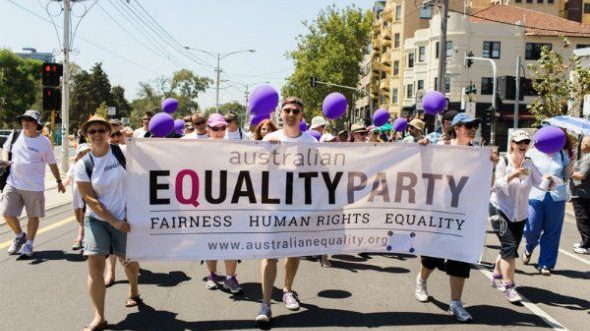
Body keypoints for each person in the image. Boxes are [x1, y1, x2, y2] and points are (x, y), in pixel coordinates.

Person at [415, 113, 494, 322]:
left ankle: (456, 303)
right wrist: (422, 148)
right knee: (433, 256)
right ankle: (421, 280)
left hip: (464, 215)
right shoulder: (440, 149)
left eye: (474, 126)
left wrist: (491, 165)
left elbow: (489, 184)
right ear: (457, 128)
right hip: (439, 211)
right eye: (468, 126)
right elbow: (422, 168)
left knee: (460, 258)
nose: (472, 129)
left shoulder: (478, 154)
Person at [75, 115, 140, 331]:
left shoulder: (120, 153)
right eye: (91, 131)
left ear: (108, 133)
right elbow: (89, 199)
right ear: (87, 135)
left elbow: (147, 164)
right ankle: (99, 317)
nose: (96, 135)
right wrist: (112, 221)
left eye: (100, 131)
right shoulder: (84, 164)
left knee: (128, 263)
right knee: (95, 264)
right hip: (98, 220)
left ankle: (134, 289)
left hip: (125, 217)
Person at [256, 97, 317, 325]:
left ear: (301, 115)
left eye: (296, 111)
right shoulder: (270, 139)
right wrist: (269, 156)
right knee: (270, 255)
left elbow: (319, 174)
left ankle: (288, 290)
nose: (291, 114)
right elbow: (256, 171)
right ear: (281, 114)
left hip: (298, 208)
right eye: (287, 110)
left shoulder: (310, 142)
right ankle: (265, 304)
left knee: (293, 252)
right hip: (273, 208)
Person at [489, 130, 560, 302]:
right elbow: (495, 186)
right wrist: (512, 175)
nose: (522, 146)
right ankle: (509, 287)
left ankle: (496, 275)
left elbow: (540, 183)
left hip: (519, 213)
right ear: (512, 143)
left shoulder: (529, 163)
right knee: (509, 247)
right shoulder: (503, 162)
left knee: (510, 247)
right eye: (519, 142)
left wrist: (549, 180)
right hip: (500, 208)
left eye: (526, 143)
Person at [1, 110, 66, 257]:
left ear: (37, 124)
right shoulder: (16, 135)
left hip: (34, 186)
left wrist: (59, 181)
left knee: (33, 216)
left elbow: (52, 163)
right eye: (24, 120)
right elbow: (6, 149)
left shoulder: (44, 142)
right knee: (6, 212)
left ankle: (29, 244)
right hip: (13, 182)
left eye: (30, 120)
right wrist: (6, 160)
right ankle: (19, 236)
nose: (26, 122)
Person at [522, 128, 574, 276]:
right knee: (532, 228)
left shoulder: (563, 154)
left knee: (552, 231)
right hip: (535, 194)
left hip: (556, 195)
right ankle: (529, 246)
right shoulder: (532, 152)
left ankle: (546, 263)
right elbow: (525, 173)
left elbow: (567, 175)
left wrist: (571, 162)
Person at [202, 113, 243, 294]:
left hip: (230, 201)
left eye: (222, 128)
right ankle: (212, 274)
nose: (219, 132)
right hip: (207, 203)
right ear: (208, 129)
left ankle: (229, 278)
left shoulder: (234, 148)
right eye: (215, 128)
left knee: (231, 239)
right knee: (210, 241)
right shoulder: (197, 148)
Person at [62, 143, 92, 250]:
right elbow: (68, 178)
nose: (84, 155)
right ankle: (85, 235)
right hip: (76, 197)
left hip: (86, 196)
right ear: (78, 155)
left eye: (87, 153)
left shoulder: (92, 165)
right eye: (82, 153)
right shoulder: (74, 166)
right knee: (79, 218)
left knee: (83, 217)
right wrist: (63, 184)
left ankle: (80, 239)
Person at [571, 135, 590, 254]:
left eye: (582, 142)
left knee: (582, 219)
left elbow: (582, 175)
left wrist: (570, 172)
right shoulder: (586, 157)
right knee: (585, 218)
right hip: (583, 193)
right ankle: (585, 242)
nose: (580, 144)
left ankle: (586, 245)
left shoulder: (588, 158)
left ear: (586, 145)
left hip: (582, 193)